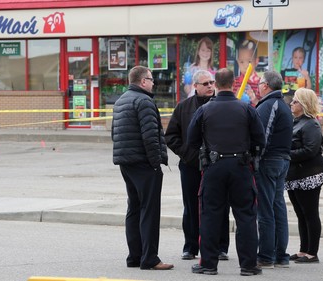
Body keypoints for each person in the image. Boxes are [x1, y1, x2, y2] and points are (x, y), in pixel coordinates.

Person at [187, 68, 265, 276]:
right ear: (233, 83)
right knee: (246, 216)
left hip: (214, 167)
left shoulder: (204, 110)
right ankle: (248, 265)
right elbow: (261, 139)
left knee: (210, 215)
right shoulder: (246, 109)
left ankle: (208, 264)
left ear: (217, 84)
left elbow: (191, 139)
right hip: (241, 166)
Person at [111, 65, 174, 270]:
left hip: (126, 162)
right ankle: (150, 259)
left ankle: (135, 256)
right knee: (149, 210)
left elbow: (114, 134)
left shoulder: (121, 101)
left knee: (134, 208)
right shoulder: (144, 101)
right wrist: (156, 163)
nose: (154, 82)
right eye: (151, 79)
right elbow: (150, 137)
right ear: (143, 81)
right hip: (144, 163)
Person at [165, 70, 230, 261]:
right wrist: (189, 155)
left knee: (219, 205)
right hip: (191, 166)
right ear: (195, 86)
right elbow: (171, 136)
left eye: (212, 82)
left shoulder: (222, 105)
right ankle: (191, 247)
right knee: (191, 207)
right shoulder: (183, 107)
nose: (210, 86)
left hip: (217, 164)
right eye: (205, 83)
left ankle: (220, 247)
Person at [285, 88, 323, 263]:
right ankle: (303, 249)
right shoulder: (296, 122)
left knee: (310, 213)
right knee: (300, 213)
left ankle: (312, 252)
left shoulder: (311, 124)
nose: (291, 103)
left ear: (303, 104)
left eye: (295, 101)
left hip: (309, 174)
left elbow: (310, 150)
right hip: (295, 175)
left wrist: (286, 154)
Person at [255, 70, 293, 269]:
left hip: (269, 161)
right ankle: (280, 255)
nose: (258, 85)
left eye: (260, 82)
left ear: (266, 85)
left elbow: (262, 136)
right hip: (281, 160)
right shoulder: (283, 105)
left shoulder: (270, 105)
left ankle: (266, 256)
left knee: (266, 210)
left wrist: (255, 159)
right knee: (278, 207)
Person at [233, 39, 261, 106]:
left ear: (256, 61)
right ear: (238, 62)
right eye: (241, 62)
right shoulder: (234, 82)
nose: (245, 66)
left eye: (249, 61)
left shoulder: (261, 83)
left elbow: (264, 106)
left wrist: (254, 99)